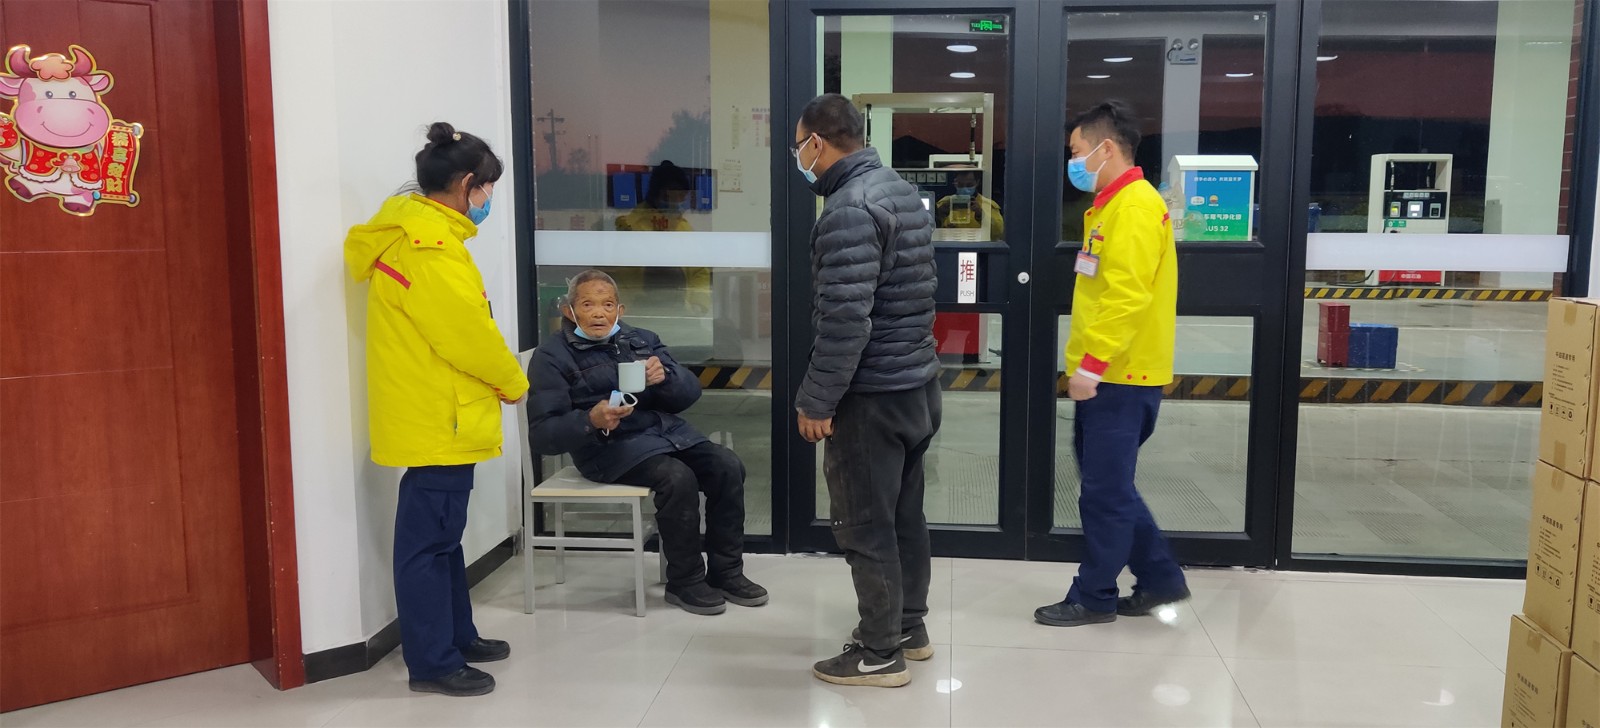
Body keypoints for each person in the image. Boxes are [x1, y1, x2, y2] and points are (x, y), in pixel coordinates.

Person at [343, 122, 528, 697]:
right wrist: (513, 381)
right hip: (438, 416)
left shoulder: (423, 234)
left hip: (438, 412)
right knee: (426, 545)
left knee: (444, 538)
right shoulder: (430, 248)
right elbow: (466, 334)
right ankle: (432, 662)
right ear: (467, 183)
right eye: (487, 188)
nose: (489, 199)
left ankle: (456, 636)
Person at [791, 94, 941, 688]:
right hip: (916, 385)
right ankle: (908, 628)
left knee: (864, 524)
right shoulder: (897, 189)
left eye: (799, 145)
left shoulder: (849, 209)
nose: (800, 158)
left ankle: (879, 653)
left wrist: (817, 400)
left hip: (872, 395)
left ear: (818, 143)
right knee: (903, 516)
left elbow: (846, 321)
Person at [526, 269, 766, 616]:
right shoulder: (552, 356)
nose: (599, 313)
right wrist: (590, 420)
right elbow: (543, 435)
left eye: (607, 305)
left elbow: (688, 395)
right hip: (604, 448)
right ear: (569, 311)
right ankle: (685, 581)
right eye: (588, 304)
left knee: (727, 466)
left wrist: (665, 377)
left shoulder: (640, 340)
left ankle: (726, 573)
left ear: (620, 310)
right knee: (677, 478)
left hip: (662, 434)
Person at [1034, 100, 1189, 628]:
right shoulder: (1112, 205)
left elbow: (1127, 296)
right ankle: (1161, 578)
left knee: (1104, 494)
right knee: (1110, 486)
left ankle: (1095, 595)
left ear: (1105, 148)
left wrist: (1092, 366)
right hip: (1114, 373)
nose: (1073, 162)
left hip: (1121, 375)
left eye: (1076, 151)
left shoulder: (1135, 208)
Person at [613, 160, 712, 314]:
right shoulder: (631, 228)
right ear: (660, 194)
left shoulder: (683, 228)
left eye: (683, 196)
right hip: (641, 312)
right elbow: (622, 279)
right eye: (675, 195)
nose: (680, 201)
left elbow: (699, 272)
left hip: (682, 312)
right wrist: (629, 310)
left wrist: (698, 304)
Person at [934, 169, 1005, 240]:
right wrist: (939, 216)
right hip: (950, 245)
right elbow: (931, 231)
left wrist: (981, 215)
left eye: (969, 185)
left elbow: (998, 232)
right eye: (960, 185)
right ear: (955, 183)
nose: (964, 188)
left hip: (979, 245)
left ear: (977, 182)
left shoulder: (987, 205)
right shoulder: (943, 204)